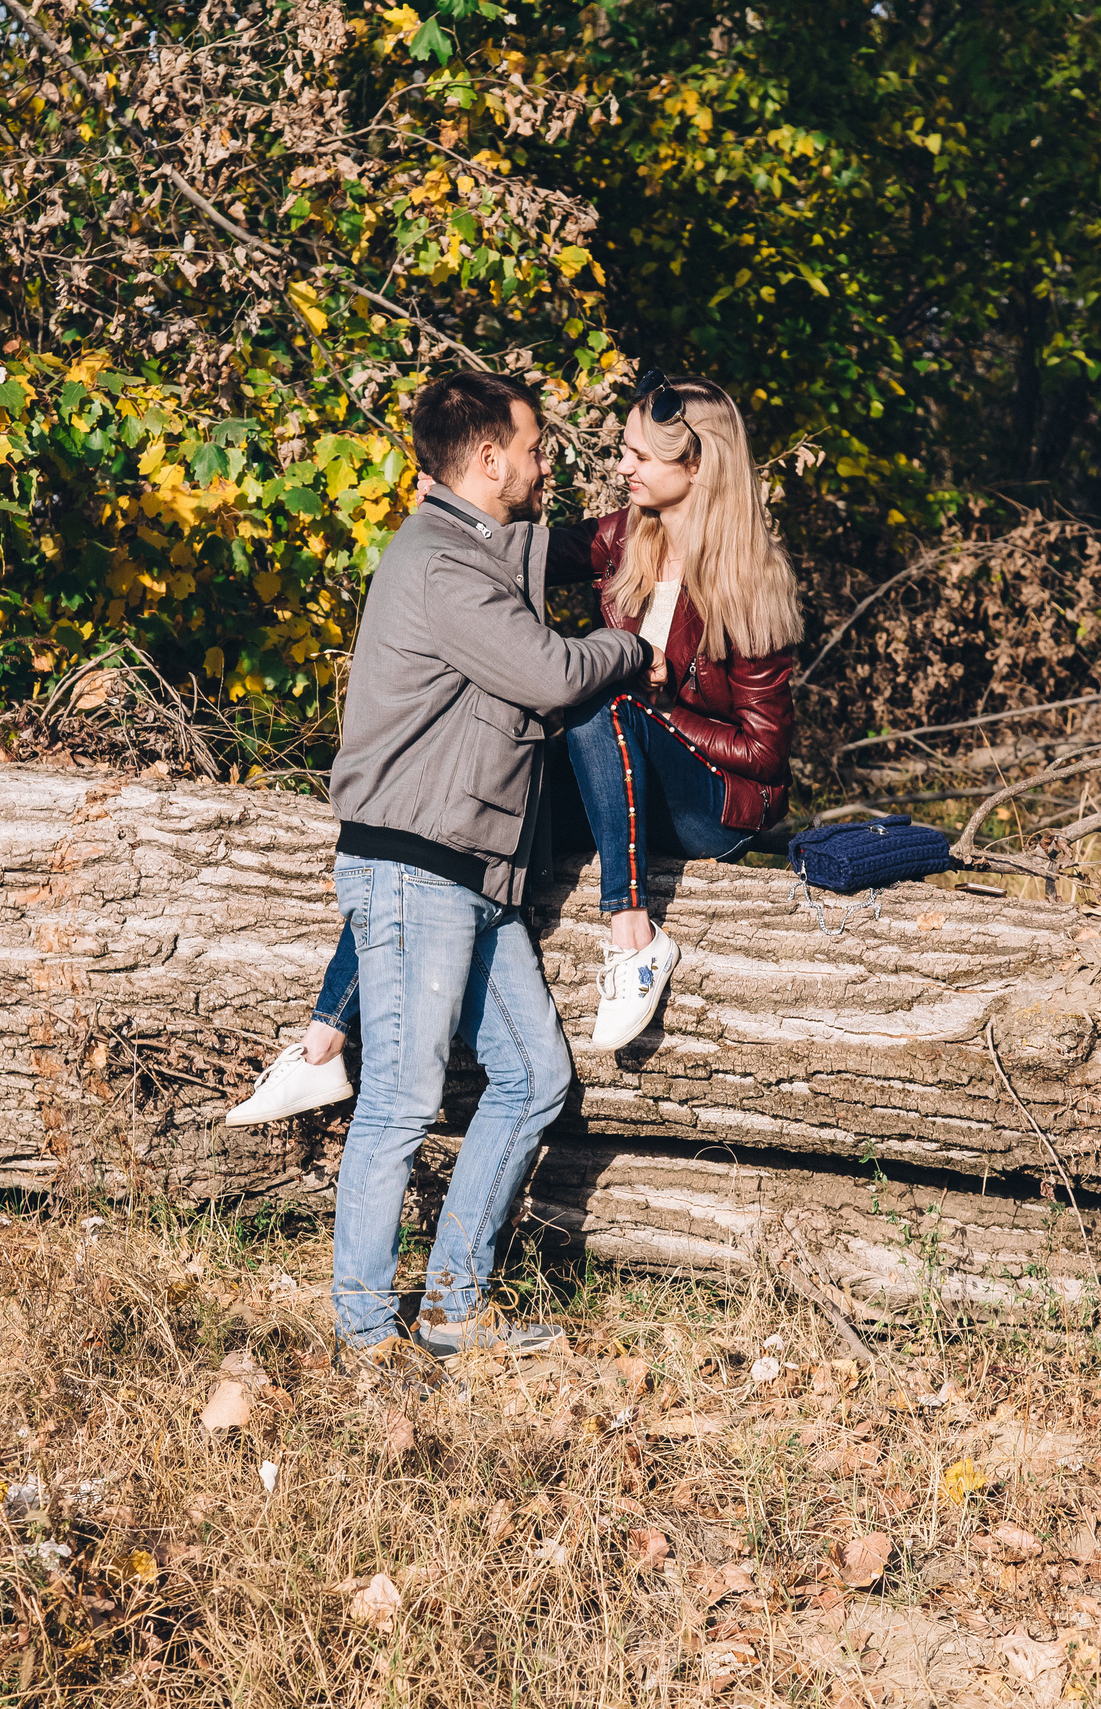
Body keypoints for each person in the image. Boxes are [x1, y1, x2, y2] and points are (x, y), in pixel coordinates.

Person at [228, 369, 800, 1121]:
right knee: (441, 820)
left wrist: (648, 709)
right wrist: (441, 512)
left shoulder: (752, 581)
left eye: (638, 457)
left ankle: (633, 938)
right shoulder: (624, 536)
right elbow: (504, 547)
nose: (620, 468)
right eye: (623, 451)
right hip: (619, 767)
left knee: (600, 695)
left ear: (696, 466)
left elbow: (763, 756)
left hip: (712, 802)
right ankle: (323, 1045)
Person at [315, 370, 655, 1359]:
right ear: (490, 458)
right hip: (417, 866)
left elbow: (531, 556)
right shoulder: (440, 565)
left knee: (534, 1077)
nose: (549, 462)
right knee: (401, 1101)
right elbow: (547, 674)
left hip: (472, 869)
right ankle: (366, 1330)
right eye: (537, 447)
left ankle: (455, 1304)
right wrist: (629, 651)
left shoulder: (473, 546)